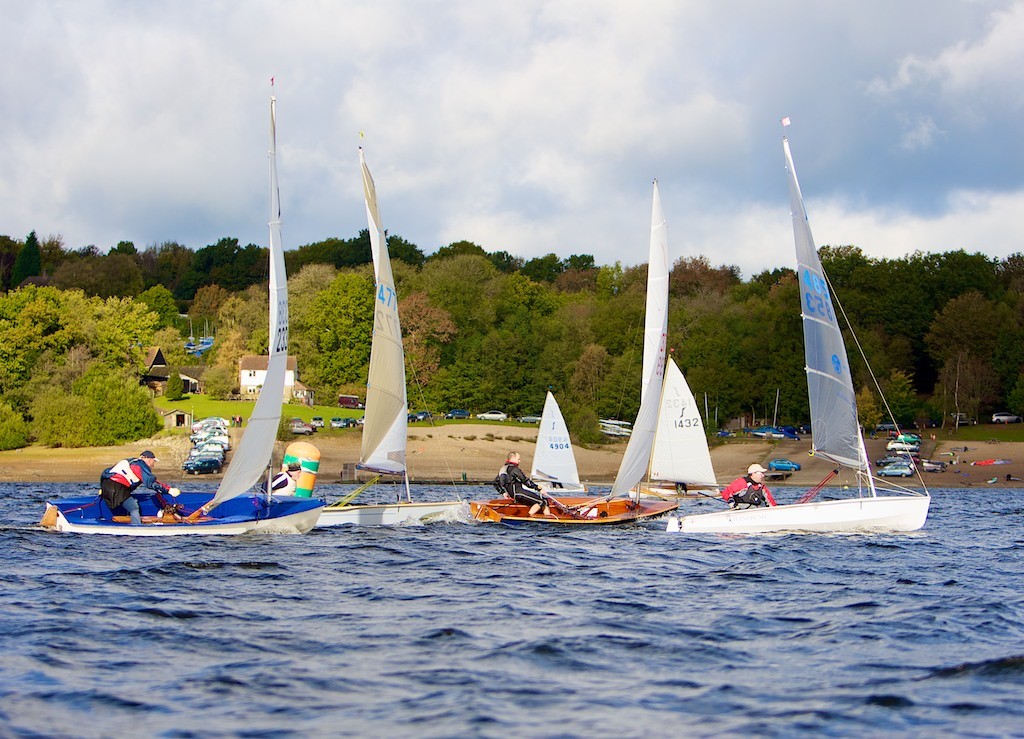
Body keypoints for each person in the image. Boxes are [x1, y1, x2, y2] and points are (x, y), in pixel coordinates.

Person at [99, 451, 180, 525]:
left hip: (106, 485)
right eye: (153, 461)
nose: (153, 465)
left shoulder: (129, 461)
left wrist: (103, 489)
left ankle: (126, 522)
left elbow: (106, 472)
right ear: (147, 459)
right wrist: (169, 490)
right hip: (117, 488)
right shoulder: (140, 465)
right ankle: (136, 527)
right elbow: (150, 483)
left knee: (132, 501)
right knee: (134, 507)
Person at [495, 451, 550, 516]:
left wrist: (503, 493)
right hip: (518, 494)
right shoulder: (514, 469)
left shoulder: (503, 469)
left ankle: (548, 518)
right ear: (513, 459)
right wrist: (538, 489)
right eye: (518, 459)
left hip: (516, 494)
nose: (520, 461)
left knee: (545, 501)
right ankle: (529, 518)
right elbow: (525, 481)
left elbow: (496, 483)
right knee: (541, 502)